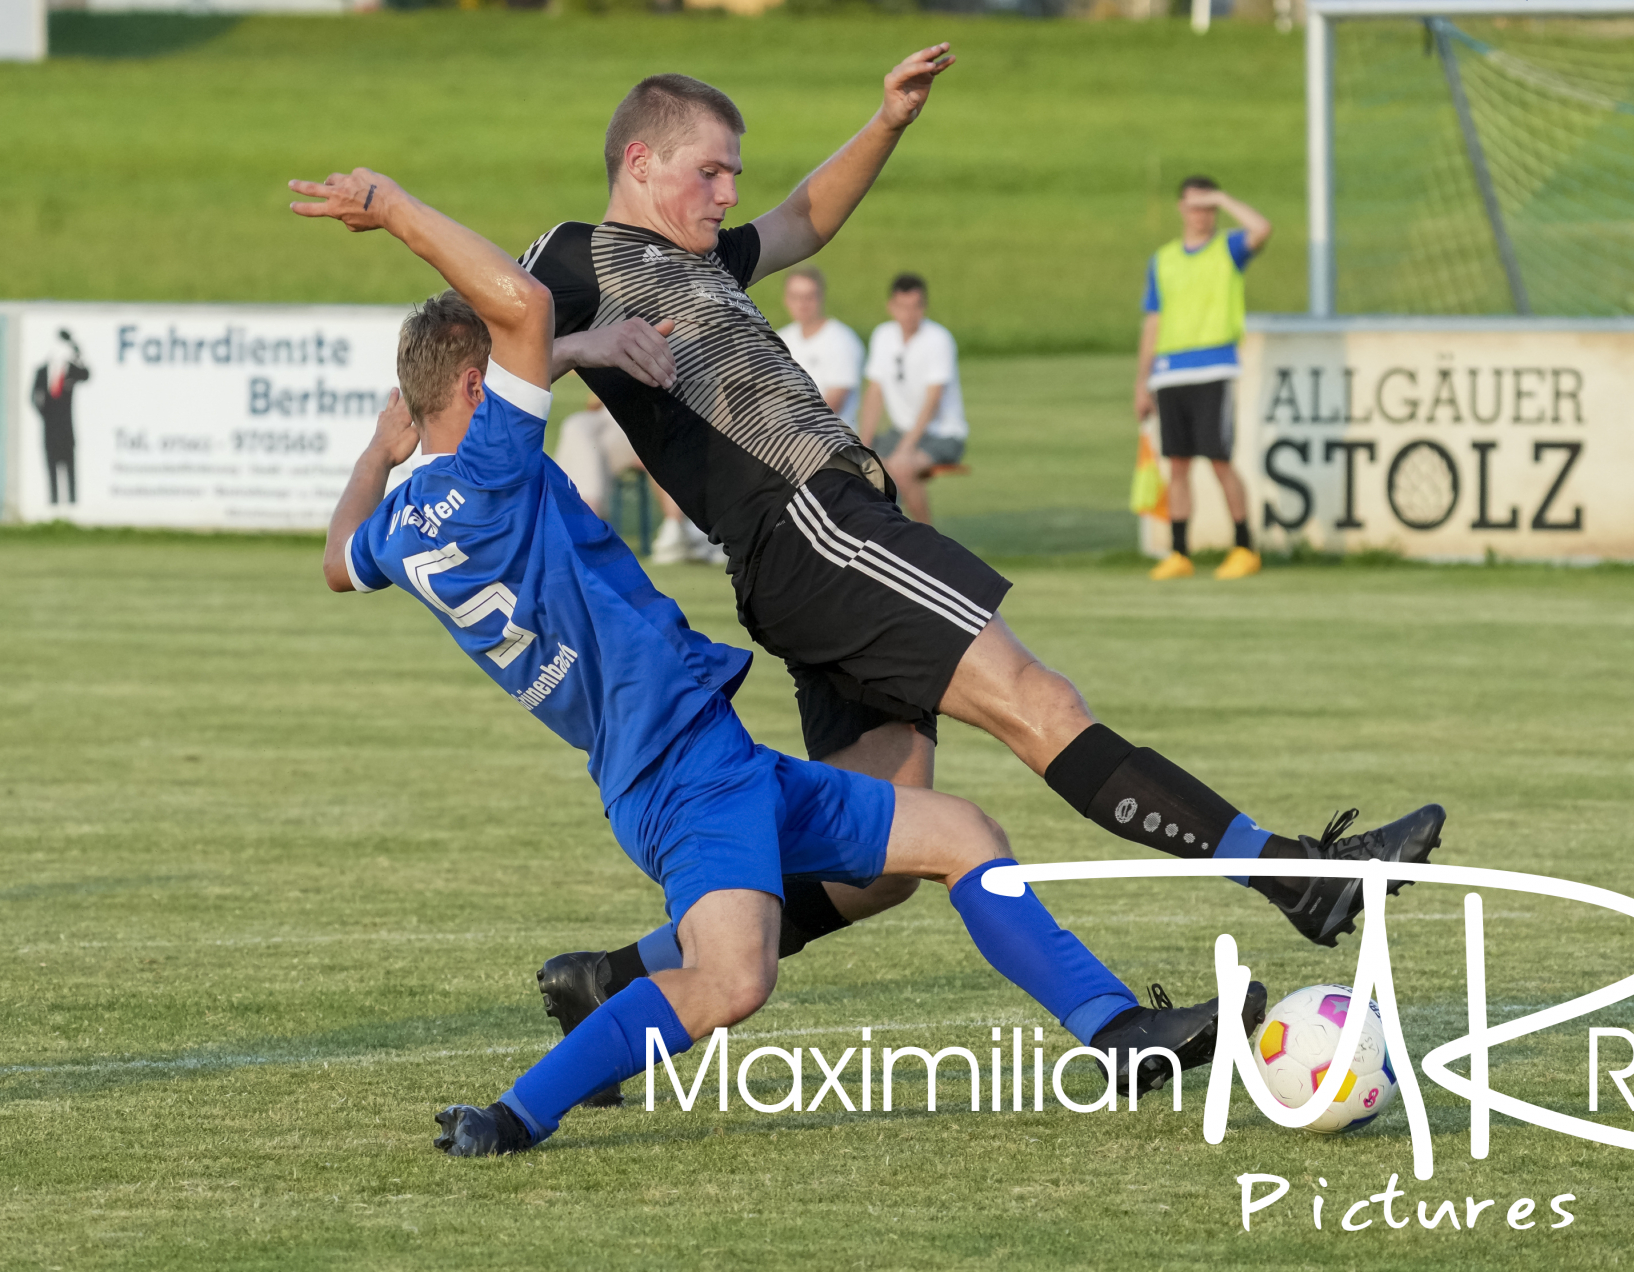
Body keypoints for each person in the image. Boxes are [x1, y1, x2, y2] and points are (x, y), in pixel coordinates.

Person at [319, 51, 1444, 1046]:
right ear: (640, 160)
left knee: (878, 865)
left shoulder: (702, 259)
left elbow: (807, 221)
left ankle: (621, 978)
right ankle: (1297, 876)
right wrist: (576, 339)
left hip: (800, 555)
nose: (729, 191)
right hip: (815, 523)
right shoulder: (574, 253)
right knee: (1037, 701)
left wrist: (886, 121)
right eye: (709, 169)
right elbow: (479, 347)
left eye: (734, 173)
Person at [291, 168, 1263, 1157]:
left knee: (962, 832)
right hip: (680, 776)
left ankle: (1109, 1027)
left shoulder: (407, 529)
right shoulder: (496, 468)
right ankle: (511, 1114)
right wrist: (395, 207)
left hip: (706, 759)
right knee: (731, 981)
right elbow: (527, 304)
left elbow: (336, 560)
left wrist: (379, 449)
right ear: (475, 388)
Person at [1134, 177, 1270, 582]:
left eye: (1209, 207)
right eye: (1196, 206)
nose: (1202, 215)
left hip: (1214, 367)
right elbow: (1153, 322)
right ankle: (1179, 552)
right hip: (1170, 371)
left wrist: (1225, 198)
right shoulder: (1164, 260)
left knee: (1219, 460)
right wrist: (1141, 380)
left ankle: (1244, 547)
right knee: (1177, 465)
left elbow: (1261, 229)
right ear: (1181, 208)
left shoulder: (1227, 249)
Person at [552, 393, 720, 565]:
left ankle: (584, 529)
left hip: (653, 415)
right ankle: (586, 527)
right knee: (576, 426)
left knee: (655, 429)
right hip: (610, 416)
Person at [858, 272, 967, 526]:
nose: (909, 314)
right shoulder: (883, 336)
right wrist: (864, 441)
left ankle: (928, 540)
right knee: (862, 469)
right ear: (891, 307)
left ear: (924, 307)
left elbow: (933, 400)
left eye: (916, 307)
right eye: (903, 307)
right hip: (900, 431)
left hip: (943, 434)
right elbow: (875, 392)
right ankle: (885, 537)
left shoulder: (938, 340)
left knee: (902, 468)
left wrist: (906, 448)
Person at [776, 264, 863, 425]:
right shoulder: (780, 339)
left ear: (821, 297)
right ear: (786, 300)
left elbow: (833, 404)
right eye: (795, 297)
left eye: (809, 297)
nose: (802, 304)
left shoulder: (842, 341)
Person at [31, 329, 89, 505]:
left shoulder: (71, 370)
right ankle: (53, 505)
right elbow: (33, 396)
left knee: (70, 472)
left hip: (66, 429)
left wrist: (77, 354)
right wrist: (45, 414)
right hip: (49, 429)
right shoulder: (42, 371)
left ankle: (73, 506)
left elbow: (86, 375)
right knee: (52, 472)